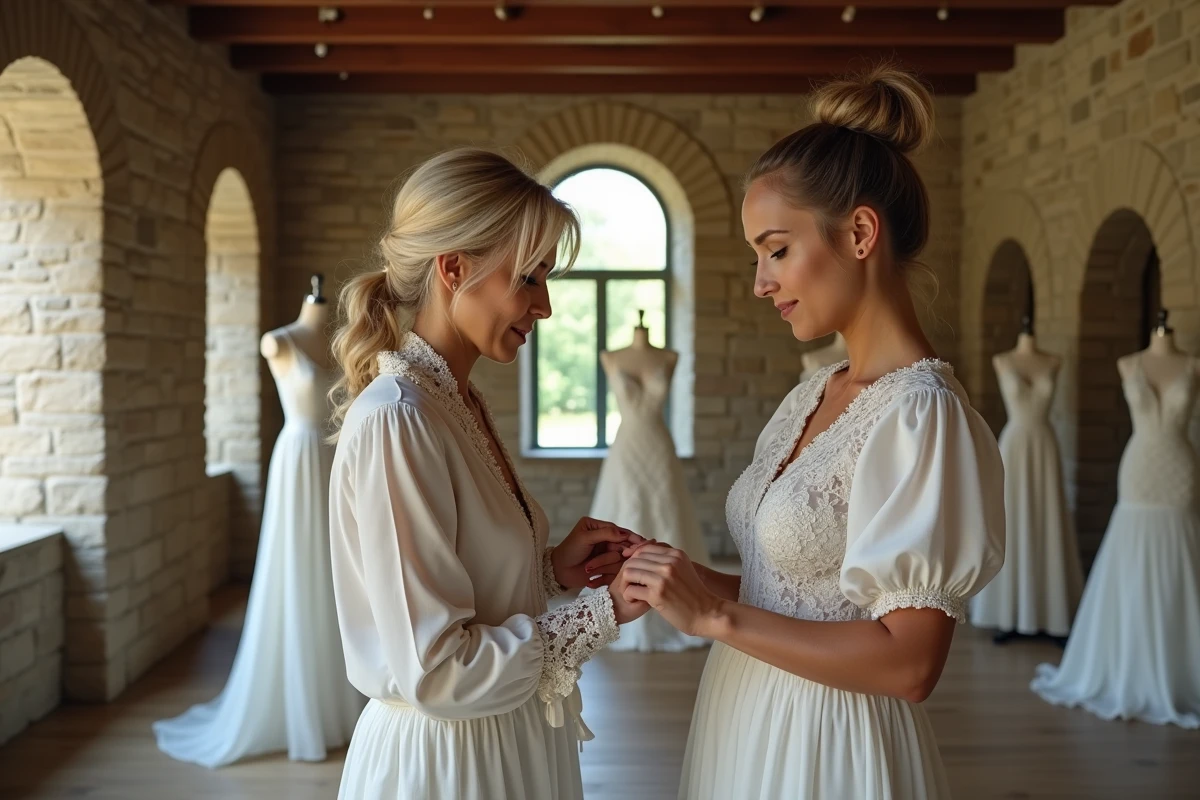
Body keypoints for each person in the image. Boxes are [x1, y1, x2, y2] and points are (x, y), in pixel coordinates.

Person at [614, 67, 1006, 799]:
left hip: (830, 740)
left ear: (859, 233)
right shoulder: (808, 395)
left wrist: (716, 613)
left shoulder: (923, 415)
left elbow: (909, 665)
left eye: (776, 249)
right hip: (744, 709)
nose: (761, 282)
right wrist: (685, 580)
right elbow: (793, 590)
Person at [326, 148, 648, 800]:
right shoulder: (399, 418)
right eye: (529, 277)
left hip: (507, 739)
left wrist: (551, 569)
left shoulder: (457, 402)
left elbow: (461, 587)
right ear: (454, 268)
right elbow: (438, 669)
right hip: (450, 763)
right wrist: (600, 613)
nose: (547, 306)